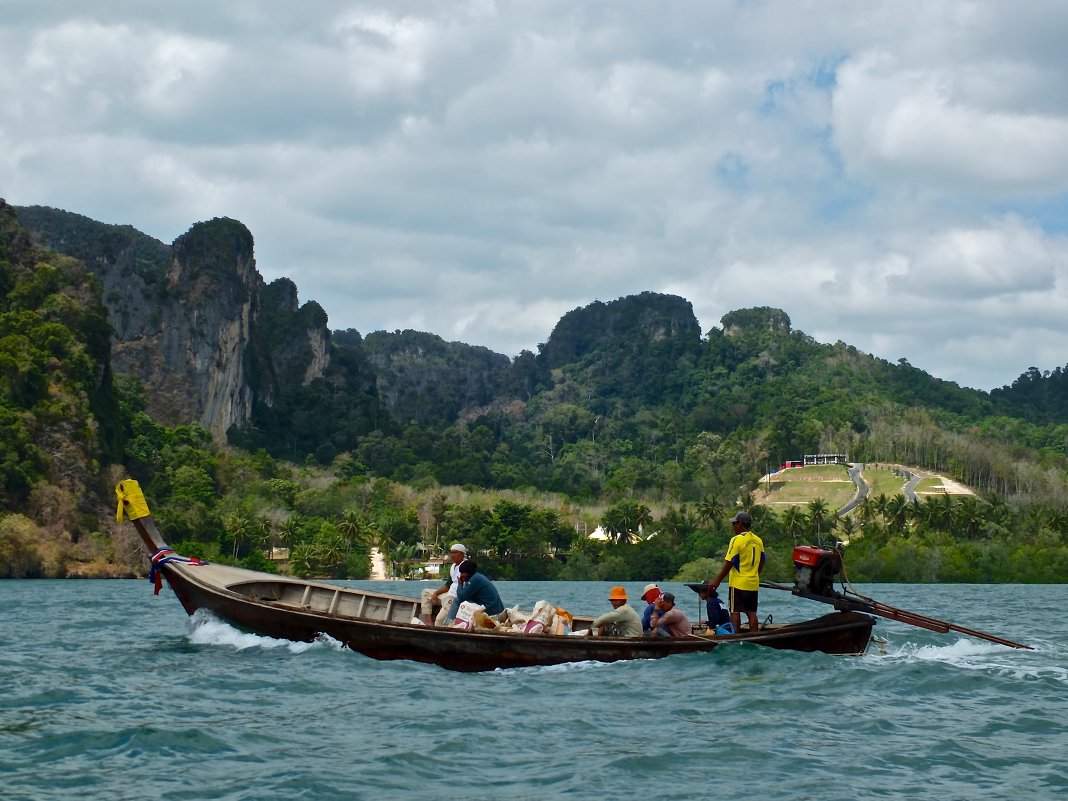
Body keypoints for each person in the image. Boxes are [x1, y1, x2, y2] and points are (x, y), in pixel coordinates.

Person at [709, 511, 765, 633]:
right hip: (753, 583)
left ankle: (735, 638)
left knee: (735, 611)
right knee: (751, 612)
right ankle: (754, 636)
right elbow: (762, 561)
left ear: (740, 524)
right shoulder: (758, 540)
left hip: (738, 583)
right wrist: (755, 575)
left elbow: (729, 562)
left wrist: (717, 581)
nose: (733, 526)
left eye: (734, 523)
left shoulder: (736, 539)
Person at [420, 543, 467, 625]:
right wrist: (436, 593)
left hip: (455, 598)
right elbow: (448, 585)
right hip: (448, 594)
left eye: (455, 552)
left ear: (462, 554)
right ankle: (428, 623)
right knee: (426, 593)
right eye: (451, 552)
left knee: (439, 621)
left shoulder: (467, 566)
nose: (452, 555)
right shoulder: (453, 567)